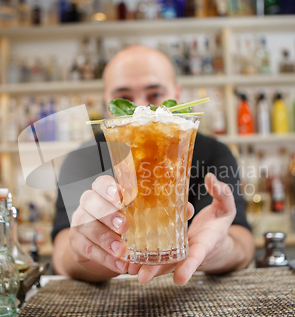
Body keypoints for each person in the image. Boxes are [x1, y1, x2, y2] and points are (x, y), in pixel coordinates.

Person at [52, 45, 255, 286]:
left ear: (177, 95)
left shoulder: (215, 153)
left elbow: (243, 244)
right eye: (124, 99)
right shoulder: (82, 159)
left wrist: (215, 249)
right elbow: (62, 252)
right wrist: (90, 256)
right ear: (107, 101)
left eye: (155, 95)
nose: (141, 108)